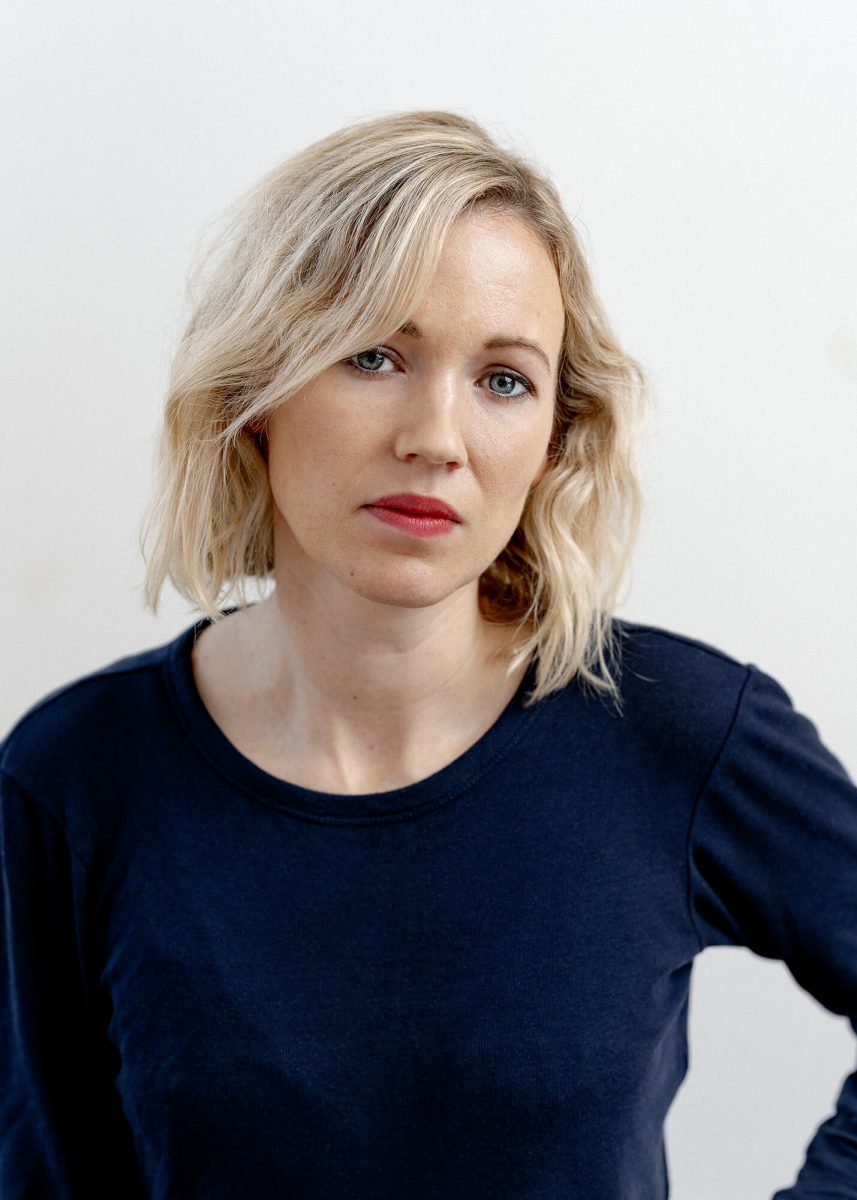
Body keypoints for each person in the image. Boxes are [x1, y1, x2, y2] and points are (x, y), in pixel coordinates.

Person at [1, 110, 855, 1200]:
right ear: (255, 396)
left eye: (503, 379)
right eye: (372, 355)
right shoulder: (74, 779)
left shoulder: (680, 730)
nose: (434, 438)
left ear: (553, 439)